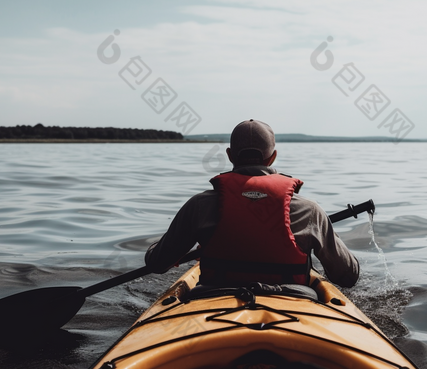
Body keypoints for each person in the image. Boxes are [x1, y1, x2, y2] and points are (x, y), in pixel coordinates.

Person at [145, 120, 359, 288]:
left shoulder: (198, 206)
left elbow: (157, 263)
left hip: (215, 300)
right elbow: (348, 276)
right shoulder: (310, 210)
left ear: (230, 156)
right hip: (292, 302)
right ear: (273, 157)